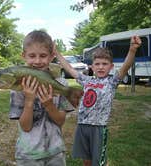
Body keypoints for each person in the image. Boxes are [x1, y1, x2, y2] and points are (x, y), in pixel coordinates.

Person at [55, 36, 142, 166]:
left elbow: (125, 67)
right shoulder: (87, 80)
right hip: (82, 125)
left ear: (111, 66)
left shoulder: (112, 81)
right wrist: (57, 53)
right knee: (86, 159)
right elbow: (69, 69)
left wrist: (132, 50)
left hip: (99, 127)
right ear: (92, 67)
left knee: (99, 162)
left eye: (105, 64)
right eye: (97, 64)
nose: (101, 67)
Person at [9, 30, 74, 166]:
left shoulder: (61, 84)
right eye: (32, 56)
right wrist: (29, 100)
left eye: (43, 56)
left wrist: (49, 104)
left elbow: (60, 121)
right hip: (28, 154)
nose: (37, 61)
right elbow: (25, 127)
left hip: (55, 152)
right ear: (24, 56)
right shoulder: (18, 87)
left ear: (51, 57)